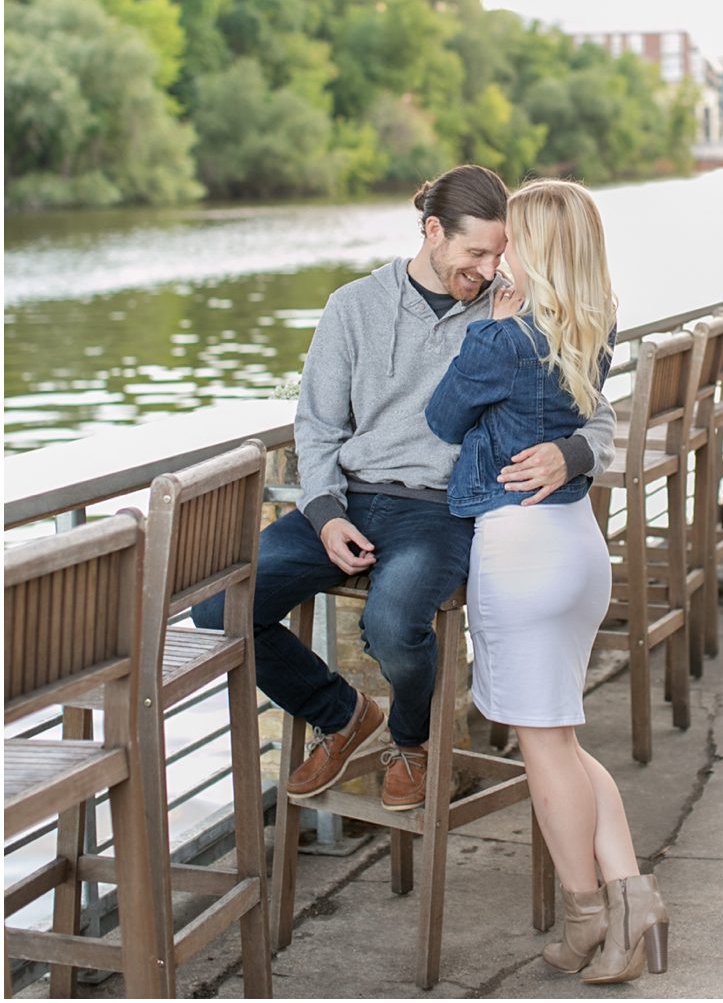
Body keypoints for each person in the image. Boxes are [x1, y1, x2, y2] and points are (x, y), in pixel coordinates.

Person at [193, 165, 614, 815]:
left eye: (499, 254)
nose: (488, 270)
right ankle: (341, 714)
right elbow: (318, 426)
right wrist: (326, 513)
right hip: (351, 498)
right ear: (433, 230)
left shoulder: (513, 308)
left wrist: (574, 452)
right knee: (219, 610)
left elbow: (593, 404)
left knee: (392, 626)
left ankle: (410, 741)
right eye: (475, 253)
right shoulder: (353, 306)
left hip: (440, 511)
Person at [424, 178, 668, 984]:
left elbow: (442, 418)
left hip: (520, 551)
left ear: (535, 250)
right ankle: (632, 900)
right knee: (560, 739)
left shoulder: (503, 338)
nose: (500, 256)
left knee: (545, 749)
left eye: (511, 242)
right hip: (577, 547)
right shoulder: (591, 324)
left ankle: (587, 914)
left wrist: (489, 326)